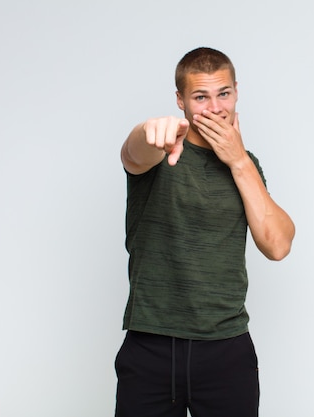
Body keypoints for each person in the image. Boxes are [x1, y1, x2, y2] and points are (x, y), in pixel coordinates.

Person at [114, 47, 295, 417]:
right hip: (151, 345)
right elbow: (133, 155)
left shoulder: (247, 165)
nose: (214, 108)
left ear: (236, 92)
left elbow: (277, 245)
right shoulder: (162, 149)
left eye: (223, 94)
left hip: (226, 350)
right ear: (180, 100)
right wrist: (147, 132)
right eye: (200, 97)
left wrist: (239, 159)